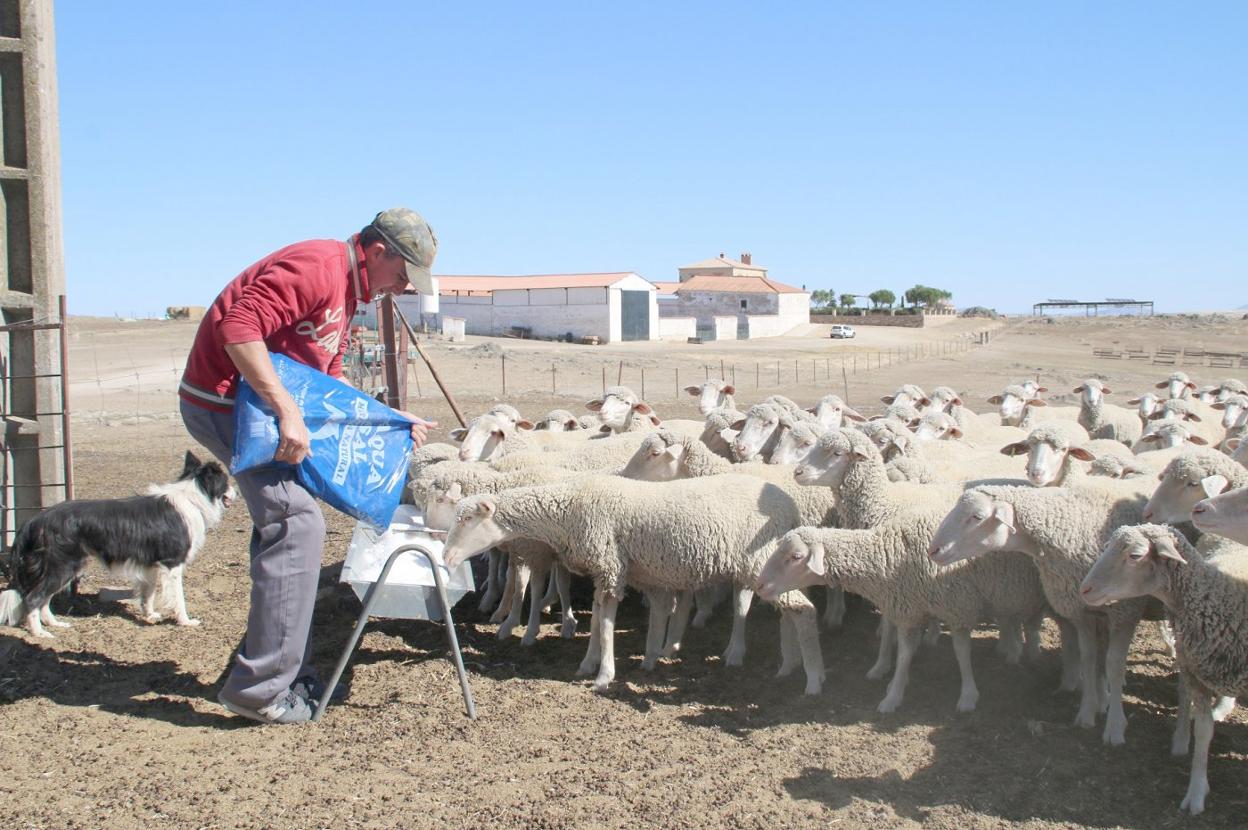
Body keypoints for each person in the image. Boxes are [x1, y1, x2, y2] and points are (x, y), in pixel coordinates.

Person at [179, 208, 438, 724]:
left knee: (287, 527)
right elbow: (238, 327)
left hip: (257, 412)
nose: (404, 288)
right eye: (404, 274)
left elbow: (329, 380)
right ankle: (259, 691)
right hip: (226, 406)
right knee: (298, 525)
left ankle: (264, 665)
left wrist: (386, 418)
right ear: (378, 251)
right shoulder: (317, 266)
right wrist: (286, 409)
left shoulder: (346, 294)